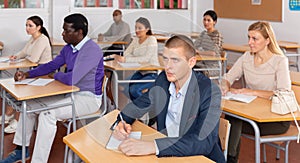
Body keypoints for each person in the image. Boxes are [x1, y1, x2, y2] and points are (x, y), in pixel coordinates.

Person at [0, 13, 104, 163]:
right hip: (68, 93)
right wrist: (27, 74)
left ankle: (38, 161)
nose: (62, 33)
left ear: (79, 32)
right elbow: (51, 66)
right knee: (28, 106)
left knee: (47, 114)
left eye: (66, 31)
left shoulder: (91, 50)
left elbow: (72, 79)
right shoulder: (69, 48)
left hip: (88, 98)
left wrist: (55, 76)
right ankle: (21, 150)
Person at [112, 35, 225, 163]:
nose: (168, 66)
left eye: (175, 60)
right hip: (169, 155)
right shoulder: (163, 81)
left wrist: (154, 146)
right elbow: (137, 106)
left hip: (199, 158)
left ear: (191, 62)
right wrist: (122, 122)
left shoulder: (209, 91)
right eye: (165, 59)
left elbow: (203, 142)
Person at [220, 21, 291, 163]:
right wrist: (225, 86)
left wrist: (252, 92)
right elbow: (227, 78)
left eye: (254, 38)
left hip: (276, 118)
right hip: (253, 113)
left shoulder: (279, 61)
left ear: (267, 40)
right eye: (249, 38)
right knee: (232, 118)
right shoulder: (247, 57)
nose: (249, 42)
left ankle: (229, 159)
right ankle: (229, 159)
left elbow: (284, 93)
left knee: (233, 122)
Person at [0, 15, 52, 134]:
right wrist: (16, 57)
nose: (27, 28)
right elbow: (24, 52)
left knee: (21, 89)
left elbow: (34, 59)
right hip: (34, 70)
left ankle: (18, 121)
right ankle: (9, 115)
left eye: (30, 26)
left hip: (43, 72)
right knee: (14, 85)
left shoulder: (42, 39)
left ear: (39, 27)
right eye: (26, 25)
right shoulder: (33, 38)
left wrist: (20, 61)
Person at [111, 17, 159, 101]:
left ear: (147, 29)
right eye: (136, 28)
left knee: (134, 90)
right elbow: (126, 53)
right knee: (123, 86)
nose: (137, 30)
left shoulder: (152, 40)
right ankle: (137, 108)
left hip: (152, 73)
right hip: (140, 72)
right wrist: (133, 58)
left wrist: (127, 59)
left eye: (140, 28)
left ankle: (145, 107)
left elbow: (146, 59)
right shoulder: (136, 40)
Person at [194, 10, 223, 78]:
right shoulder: (203, 34)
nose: (206, 22)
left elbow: (213, 53)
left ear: (214, 22)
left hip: (212, 66)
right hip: (202, 63)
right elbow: (194, 45)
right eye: (204, 20)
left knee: (192, 72)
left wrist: (198, 52)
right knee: (186, 67)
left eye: (208, 20)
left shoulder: (217, 35)